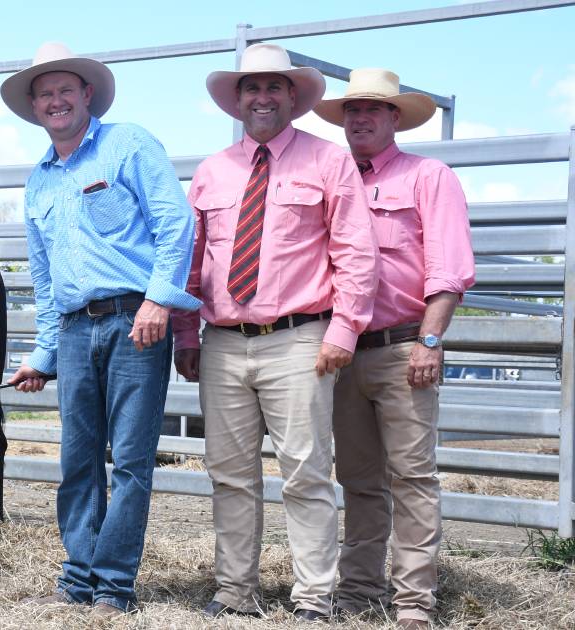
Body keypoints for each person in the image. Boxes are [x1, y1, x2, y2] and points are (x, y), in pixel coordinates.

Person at [170, 43, 379, 621]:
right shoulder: (213, 171)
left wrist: (343, 329)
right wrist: (187, 335)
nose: (262, 97)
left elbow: (356, 252)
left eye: (273, 88)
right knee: (229, 476)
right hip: (223, 343)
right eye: (251, 88)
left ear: (293, 97)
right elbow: (191, 262)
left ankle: (314, 597)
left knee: (305, 474)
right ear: (237, 101)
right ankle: (235, 591)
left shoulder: (327, 162)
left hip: (299, 339)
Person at [2, 41, 200, 616]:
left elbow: (174, 223)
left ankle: (114, 583)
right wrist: (42, 354)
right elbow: (43, 280)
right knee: (77, 458)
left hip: (135, 320)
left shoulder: (128, 144)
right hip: (72, 328)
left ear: (88, 95)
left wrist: (159, 301)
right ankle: (79, 574)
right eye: (45, 94)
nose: (56, 101)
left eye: (66, 90)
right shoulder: (38, 181)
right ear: (34, 108)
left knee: (132, 459)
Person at [314, 68, 475, 630]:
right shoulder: (332, 179)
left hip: (403, 345)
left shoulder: (427, 177)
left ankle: (414, 601)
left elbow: (449, 269)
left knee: (411, 476)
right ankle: (359, 590)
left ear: (395, 118)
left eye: (373, 110)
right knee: (357, 478)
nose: (359, 119)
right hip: (339, 349)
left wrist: (430, 340)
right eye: (351, 111)